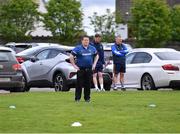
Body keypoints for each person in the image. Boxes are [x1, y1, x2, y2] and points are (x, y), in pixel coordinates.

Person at [70, 35, 99, 102]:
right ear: (82, 41)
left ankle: (87, 98)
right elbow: (71, 56)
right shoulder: (78, 48)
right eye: (85, 40)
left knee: (88, 84)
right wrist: (74, 65)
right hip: (81, 69)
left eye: (87, 40)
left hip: (89, 69)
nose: (86, 41)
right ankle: (77, 98)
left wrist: (94, 64)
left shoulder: (92, 48)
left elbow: (97, 56)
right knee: (79, 84)